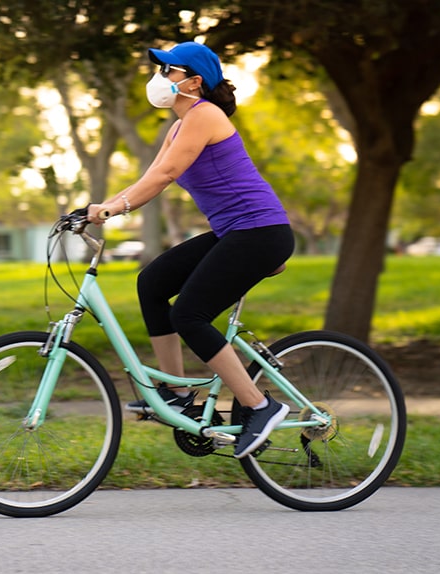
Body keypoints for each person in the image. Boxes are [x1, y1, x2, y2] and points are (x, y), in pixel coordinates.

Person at [87, 41, 294, 460]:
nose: (160, 78)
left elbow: (165, 175)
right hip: (235, 232)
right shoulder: (179, 126)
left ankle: (259, 405)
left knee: (189, 314)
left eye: (168, 71)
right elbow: (147, 177)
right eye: (160, 70)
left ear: (194, 82)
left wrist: (112, 210)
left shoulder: (205, 115)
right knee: (152, 281)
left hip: (260, 232)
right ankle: (177, 393)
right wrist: (93, 208)